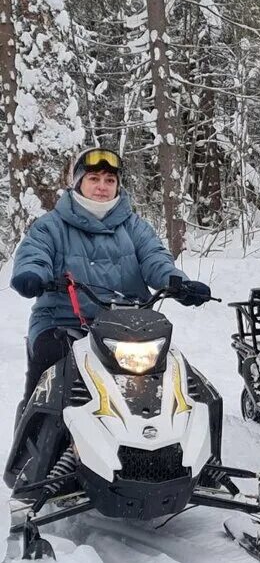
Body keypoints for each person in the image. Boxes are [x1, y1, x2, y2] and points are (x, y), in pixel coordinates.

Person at [11, 147, 211, 409]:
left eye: (109, 180)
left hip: (127, 323)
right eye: (94, 179)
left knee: (173, 375)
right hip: (63, 320)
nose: (102, 187)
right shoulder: (51, 225)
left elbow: (155, 258)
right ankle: (33, 444)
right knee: (48, 381)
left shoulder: (134, 225)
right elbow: (35, 253)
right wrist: (33, 274)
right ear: (78, 183)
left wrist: (178, 283)